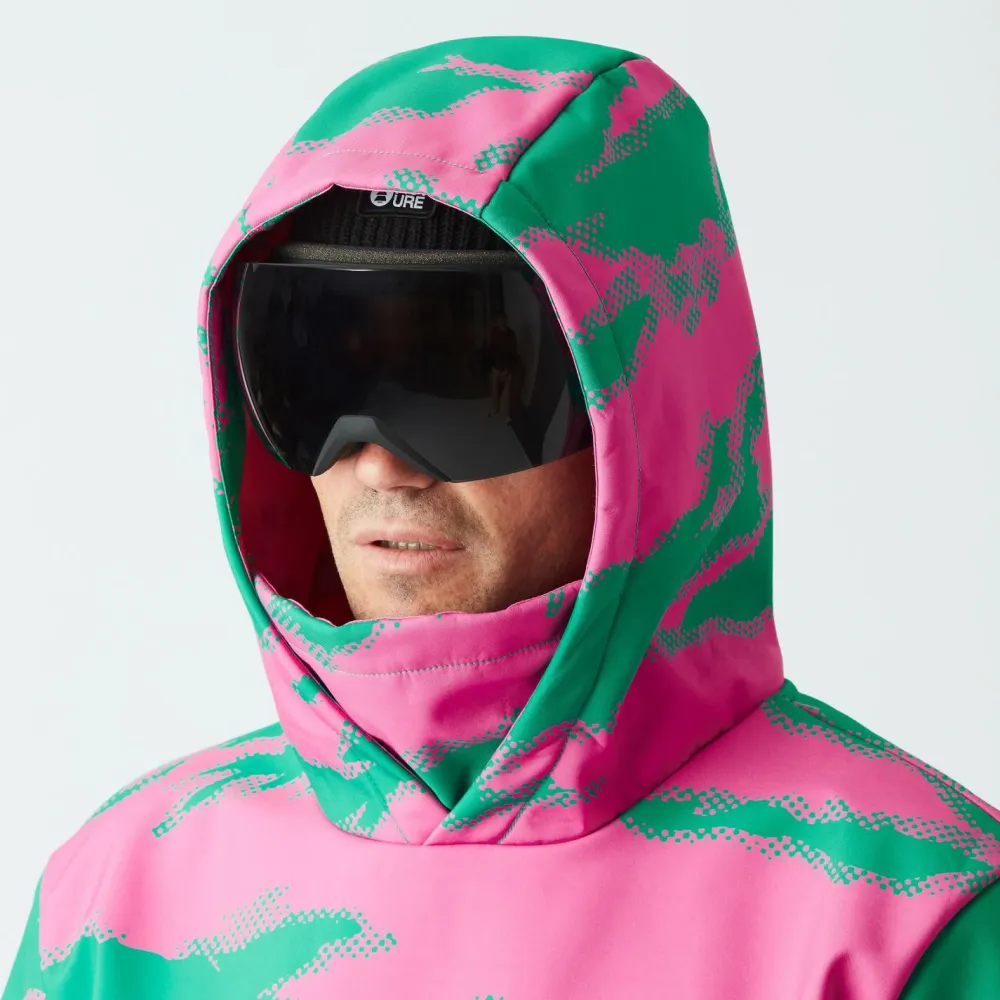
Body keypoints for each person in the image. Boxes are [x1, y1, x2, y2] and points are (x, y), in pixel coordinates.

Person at [4, 34, 998, 1000]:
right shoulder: (121, 903)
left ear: (641, 408)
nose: (379, 462)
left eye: (462, 382)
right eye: (312, 376)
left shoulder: (905, 924)